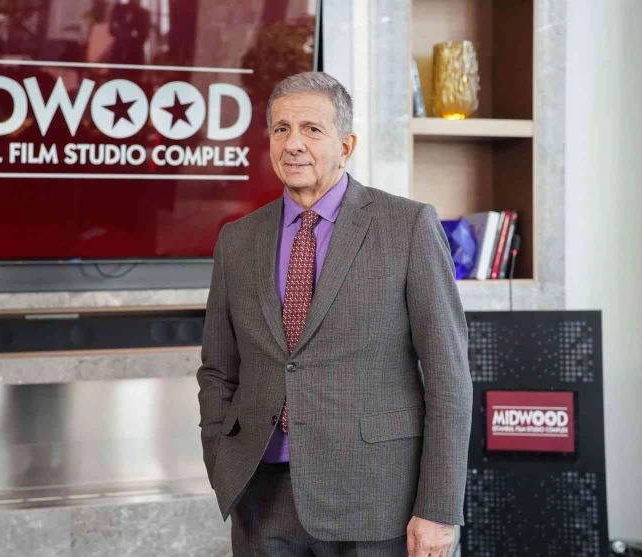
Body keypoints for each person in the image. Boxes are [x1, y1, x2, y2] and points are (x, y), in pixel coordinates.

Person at [197, 72, 473, 557]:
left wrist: (438, 508)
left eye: (312, 129)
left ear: (346, 145)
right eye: (281, 129)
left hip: (377, 498)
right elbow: (218, 370)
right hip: (263, 499)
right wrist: (222, 459)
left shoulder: (407, 226)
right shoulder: (237, 239)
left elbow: (448, 377)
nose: (293, 144)